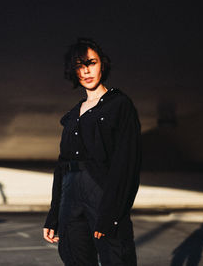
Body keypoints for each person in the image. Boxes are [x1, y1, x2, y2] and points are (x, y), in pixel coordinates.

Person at [43, 38, 142, 266]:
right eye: (80, 65)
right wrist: (54, 215)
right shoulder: (71, 115)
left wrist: (112, 213)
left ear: (102, 65)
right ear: (73, 71)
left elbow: (127, 163)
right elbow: (61, 166)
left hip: (102, 193)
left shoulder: (119, 105)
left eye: (92, 63)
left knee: (116, 258)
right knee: (74, 258)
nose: (86, 70)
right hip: (70, 196)